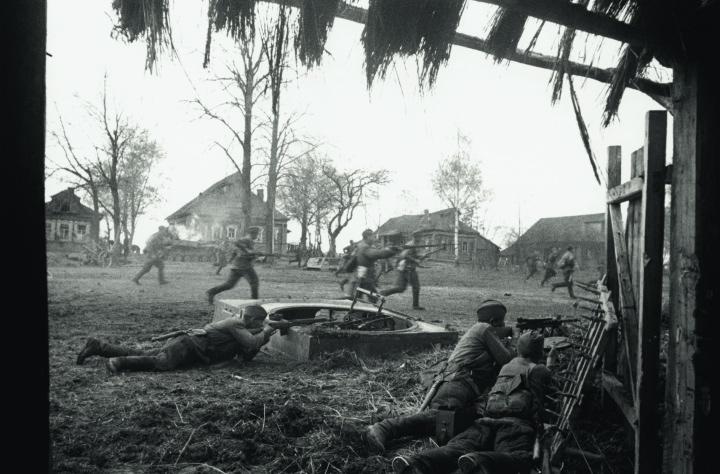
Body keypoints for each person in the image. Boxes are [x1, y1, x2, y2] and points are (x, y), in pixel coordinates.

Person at [391, 331, 558, 474]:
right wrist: (551, 364)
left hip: (485, 421)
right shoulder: (539, 369)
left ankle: (415, 462)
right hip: (515, 425)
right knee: (520, 458)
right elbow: (551, 397)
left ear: (518, 349)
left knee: (457, 448)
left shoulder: (506, 366)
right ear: (539, 352)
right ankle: (479, 461)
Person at [365, 300, 515, 454]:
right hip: (457, 382)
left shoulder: (477, 330)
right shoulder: (484, 328)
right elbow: (506, 359)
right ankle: (385, 427)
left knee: (456, 422)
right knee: (441, 417)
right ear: (493, 321)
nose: (504, 325)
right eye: (502, 322)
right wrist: (513, 343)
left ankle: (389, 425)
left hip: (461, 384)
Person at [75, 305, 277, 373]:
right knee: (162, 363)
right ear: (252, 320)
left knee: (144, 354)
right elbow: (251, 342)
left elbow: (247, 354)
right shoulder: (236, 324)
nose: (260, 326)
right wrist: (267, 331)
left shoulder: (242, 327)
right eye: (259, 323)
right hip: (188, 345)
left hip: (189, 345)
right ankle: (118, 362)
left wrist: (265, 336)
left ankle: (99, 347)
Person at [206, 227, 261, 304]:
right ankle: (254, 303)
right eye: (257, 234)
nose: (257, 236)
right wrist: (248, 252)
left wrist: (254, 255)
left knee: (229, 285)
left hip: (237, 266)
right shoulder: (246, 239)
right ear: (253, 233)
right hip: (245, 267)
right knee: (254, 282)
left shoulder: (249, 241)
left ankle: (211, 292)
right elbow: (237, 244)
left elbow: (237, 252)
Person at [380, 232, 428, 310]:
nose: (421, 238)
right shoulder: (410, 244)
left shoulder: (415, 244)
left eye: (421, 237)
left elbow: (413, 255)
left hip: (407, 269)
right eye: (419, 237)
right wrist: (415, 260)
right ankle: (415, 305)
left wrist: (422, 256)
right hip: (407, 269)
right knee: (414, 287)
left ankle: (383, 293)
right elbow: (404, 255)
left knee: (401, 288)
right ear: (415, 237)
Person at [354, 229, 401, 299]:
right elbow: (377, 254)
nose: (374, 238)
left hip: (363, 276)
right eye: (373, 236)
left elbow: (377, 252)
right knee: (374, 298)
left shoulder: (361, 245)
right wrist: (392, 251)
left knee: (358, 298)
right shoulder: (365, 247)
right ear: (368, 237)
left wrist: (390, 248)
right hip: (366, 277)